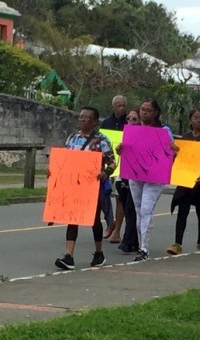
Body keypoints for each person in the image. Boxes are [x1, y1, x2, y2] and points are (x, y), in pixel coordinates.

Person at [54, 106, 116, 270]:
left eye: (86, 117)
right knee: (72, 218)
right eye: (80, 117)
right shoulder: (72, 138)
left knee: (93, 219)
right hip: (74, 184)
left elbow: (112, 162)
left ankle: (98, 252)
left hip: (92, 185)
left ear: (95, 121)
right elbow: (65, 159)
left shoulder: (101, 140)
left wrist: (105, 172)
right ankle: (69, 256)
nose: (82, 120)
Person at [118, 99, 178, 262]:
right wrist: (120, 149)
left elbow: (171, 154)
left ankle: (144, 248)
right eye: (142, 109)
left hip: (154, 177)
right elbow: (125, 151)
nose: (144, 112)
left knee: (146, 209)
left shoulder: (163, 130)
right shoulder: (133, 130)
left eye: (148, 110)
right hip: (136, 175)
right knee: (138, 211)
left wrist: (174, 151)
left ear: (155, 113)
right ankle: (141, 245)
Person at [167, 109, 200, 254]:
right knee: (182, 210)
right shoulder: (185, 138)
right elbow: (179, 159)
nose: (199, 120)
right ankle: (177, 243)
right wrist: (175, 151)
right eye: (196, 118)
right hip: (186, 179)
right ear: (190, 120)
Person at [99, 96, 128, 239]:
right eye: (118, 105)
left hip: (124, 164)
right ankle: (110, 222)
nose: (121, 108)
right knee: (104, 194)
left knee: (119, 197)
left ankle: (117, 230)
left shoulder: (130, 122)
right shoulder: (106, 123)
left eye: (123, 105)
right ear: (113, 107)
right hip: (108, 164)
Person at [115, 108, 140, 253]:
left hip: (137, 178)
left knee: (132, 209)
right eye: (129, 119)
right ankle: (134, 241)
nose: (130, 121)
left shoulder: (142, 136)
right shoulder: (123, 136)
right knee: (126, 207)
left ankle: (127, 240)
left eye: (134, 119)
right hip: (123, 177)